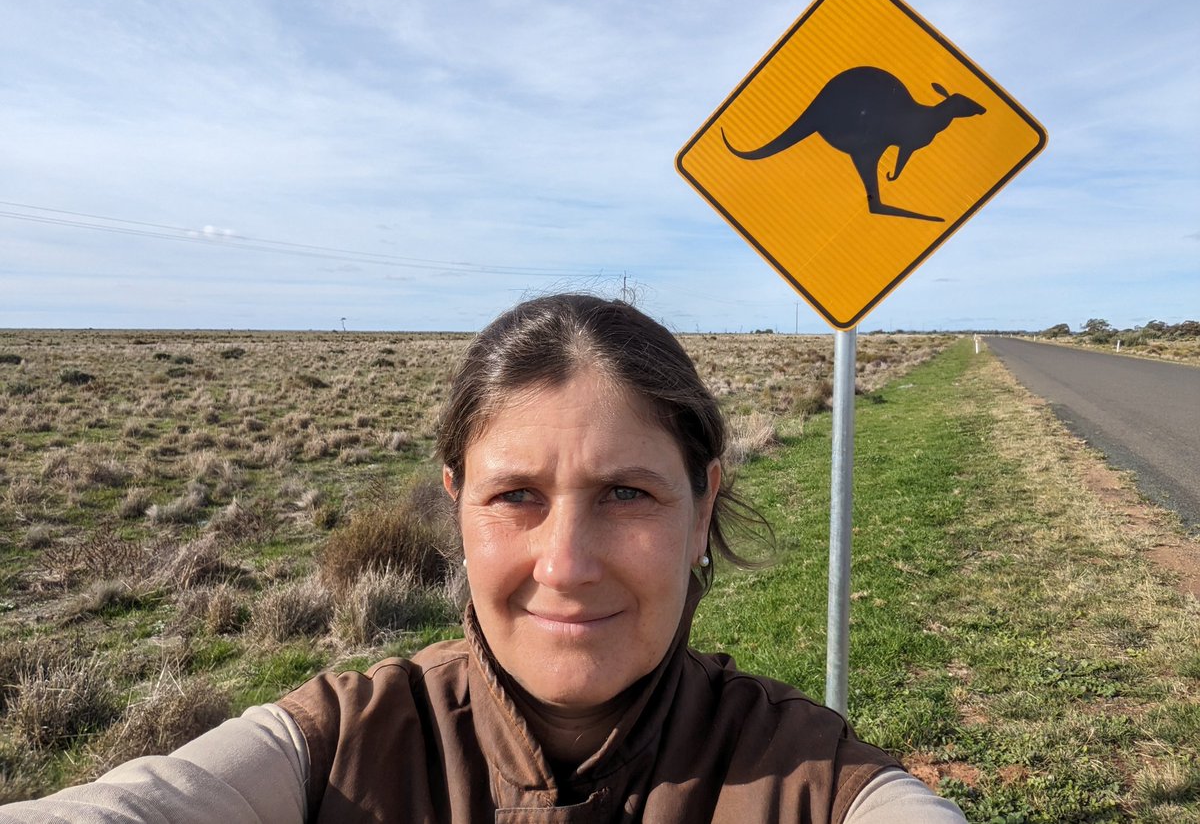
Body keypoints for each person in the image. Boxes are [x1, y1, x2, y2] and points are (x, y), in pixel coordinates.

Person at [0, 294, 966, 823]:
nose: (567, 562)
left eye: (627, 493)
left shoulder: (806, 779)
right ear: (458, 502)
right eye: (517, 497)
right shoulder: (341, 746)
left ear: (703, 503)